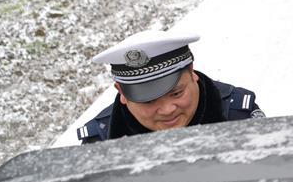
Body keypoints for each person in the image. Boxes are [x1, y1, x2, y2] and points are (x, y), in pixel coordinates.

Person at [77, 30, 263, 143]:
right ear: (121, 92)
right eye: (148, 101)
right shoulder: (100, 139)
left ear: (191, 72)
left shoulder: (238, 116)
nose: (167, 110)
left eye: (176, 93)